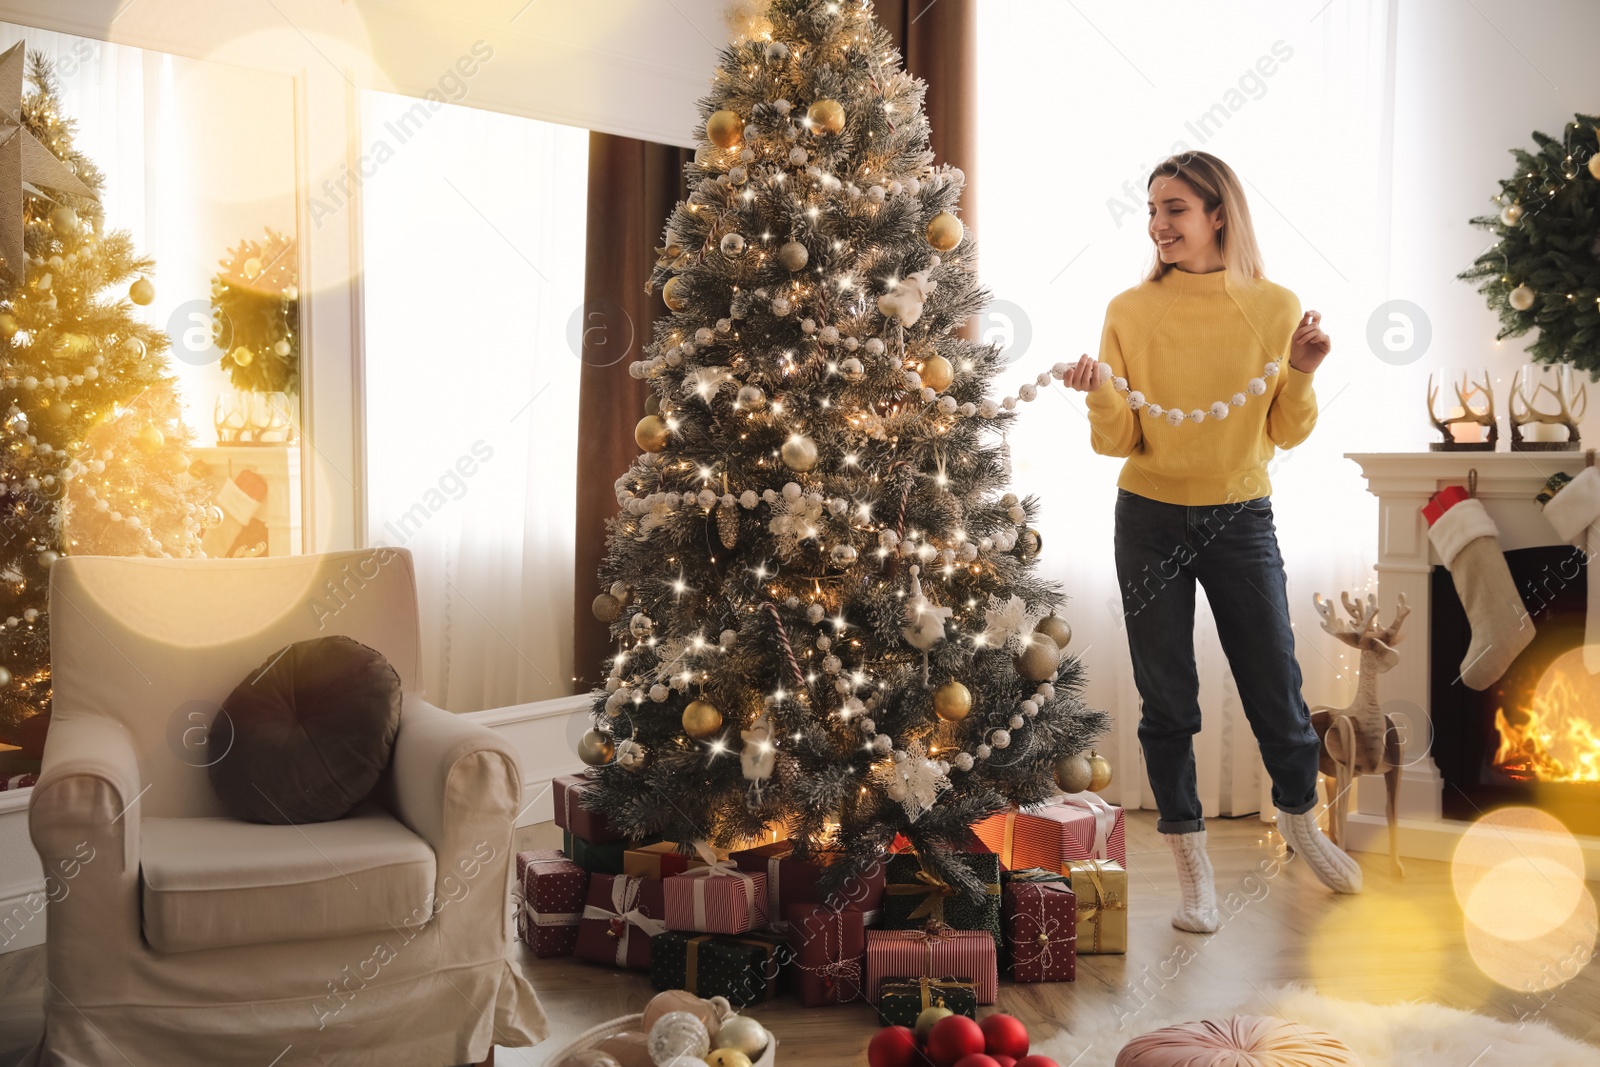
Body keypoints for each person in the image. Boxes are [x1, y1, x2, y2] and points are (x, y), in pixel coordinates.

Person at [1061, 151, 1361, 934]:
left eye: (1175, 209)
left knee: (1277, 689)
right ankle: (1193, 871)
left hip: (1239, 517)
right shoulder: (1129, 309)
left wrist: (1301, 371)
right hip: (1148, 517)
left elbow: (1286, 430)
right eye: (1153, 212)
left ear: (1218, 213)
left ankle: (1302, 823)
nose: (1159, 225)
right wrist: (1099, 396)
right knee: (1167, 702)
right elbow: (1117, 440)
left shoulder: (1274, 305)